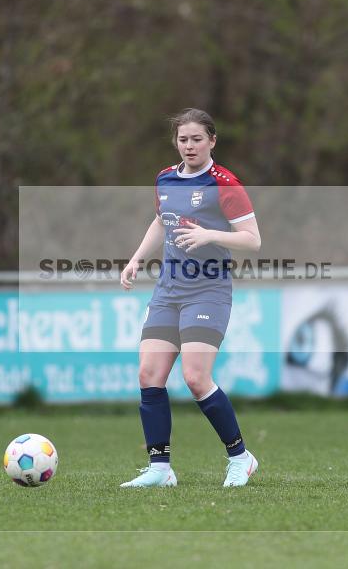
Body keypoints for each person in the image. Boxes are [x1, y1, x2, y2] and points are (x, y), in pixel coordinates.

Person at [119, 108, 261, 488]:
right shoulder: (165, 178)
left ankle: (241, 458)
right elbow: (160, 221)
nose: (189, 146)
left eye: (197, 139)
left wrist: (210, 236)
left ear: (212, 141)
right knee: (150, 375)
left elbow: (252, 239)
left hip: (208, 291)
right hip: (169, 290)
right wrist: (136, 260)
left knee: (196, 378)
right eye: (183, 139)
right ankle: (160, 470)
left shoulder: (224, 183)